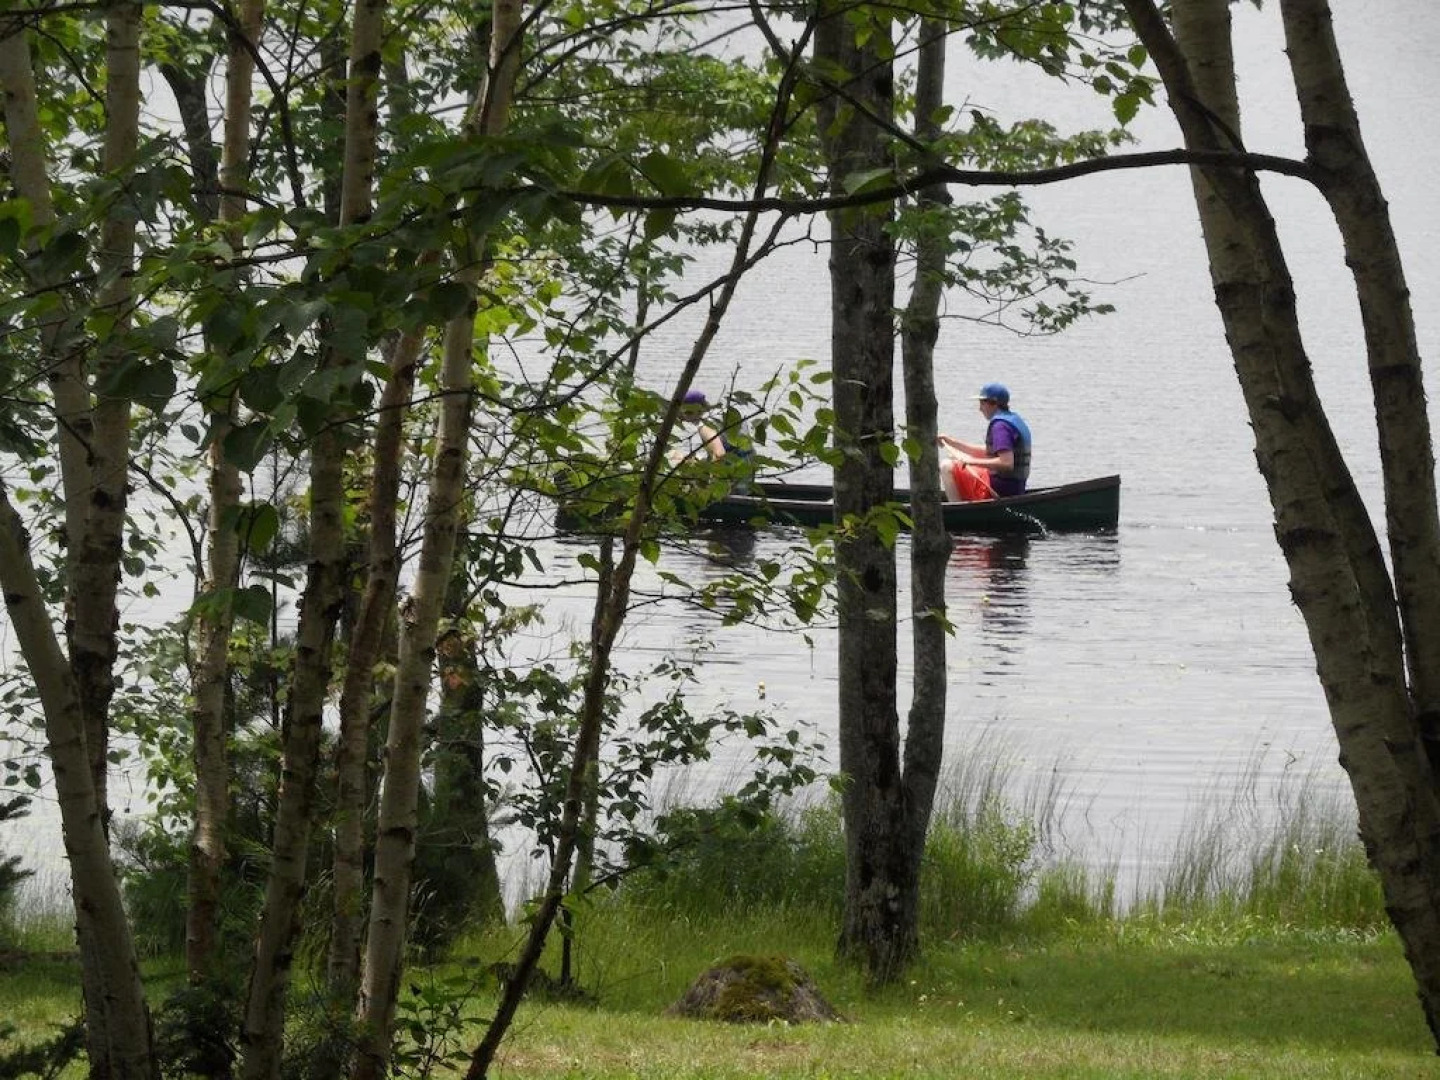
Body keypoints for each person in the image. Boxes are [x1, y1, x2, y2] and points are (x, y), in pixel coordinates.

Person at [936, 382, 1032, 501]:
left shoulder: (1000, 426)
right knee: (958, 458)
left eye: (982, 403)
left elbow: (1007, 463)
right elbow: (989, 453)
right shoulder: (1012, 419)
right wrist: (952, 442)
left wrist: (972, 462)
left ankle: (957, 509)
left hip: (1001, 489)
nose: (980, 408)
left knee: (946, 465)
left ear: (994, 404)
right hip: (1015, 487)